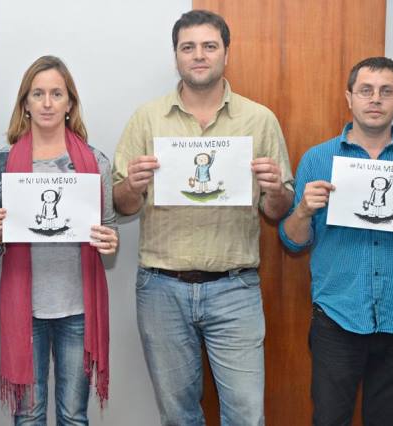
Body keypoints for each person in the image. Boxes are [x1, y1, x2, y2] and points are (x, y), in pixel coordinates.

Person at [112, 10, 294, 425]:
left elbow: (276, 211)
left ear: (226, 54)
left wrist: (275, 189)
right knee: (178, 416)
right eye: (188, 47)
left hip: (235, 288)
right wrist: (132, 186)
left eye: (209, 46)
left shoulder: (259, 119)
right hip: (162, 288)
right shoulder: (147, 119)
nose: (199, 55)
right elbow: (122, 206)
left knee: (246, 415)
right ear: (175, 55)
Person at [279, 57, 393, 425]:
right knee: (329, 420)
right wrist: (303, 211)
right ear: (349, 97)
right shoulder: (317, 158)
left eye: (386, 91)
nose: (375, 99)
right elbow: (293, 242)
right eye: (366, 90)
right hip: (336, 319)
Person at [0, 55, 118, 425]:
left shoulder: (95, 162)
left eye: (56, 94)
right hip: (23, 307)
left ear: (69, 103)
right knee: (28, 417)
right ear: (25, 103)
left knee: (74, 416)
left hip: (78, 307)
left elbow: (108, 227)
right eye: (37, 94)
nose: (46, 103)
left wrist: (109, 242)